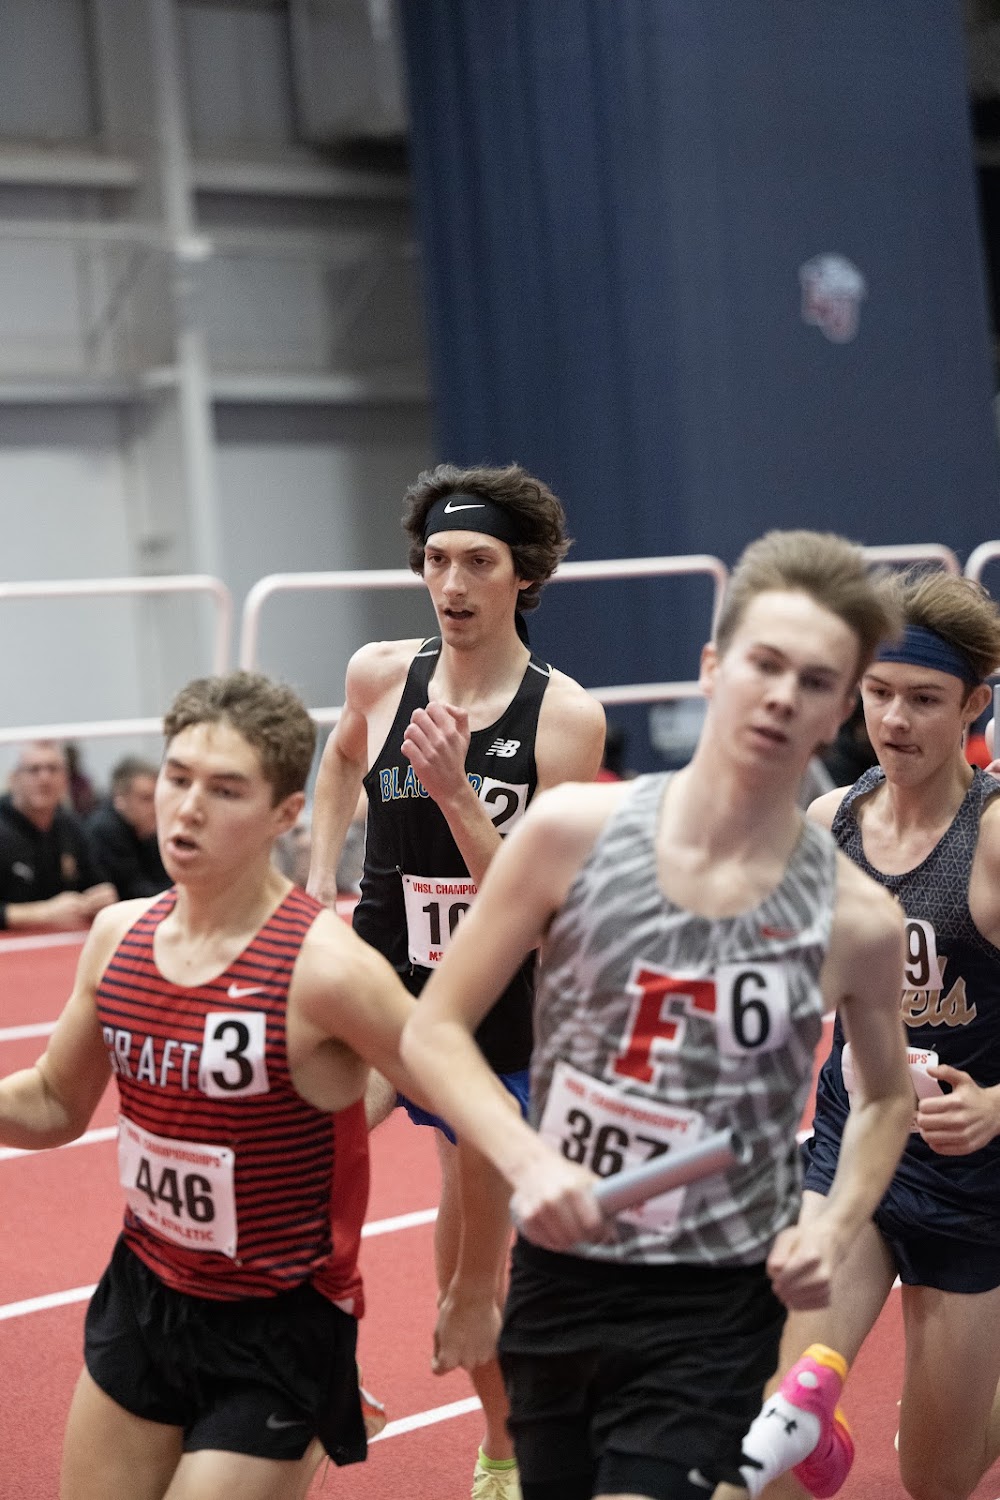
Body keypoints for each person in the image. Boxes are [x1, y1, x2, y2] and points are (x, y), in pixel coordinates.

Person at [401, 529, 914, 1500]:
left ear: (840, 708)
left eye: (815, 681)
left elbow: (886, 1097)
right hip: (564, 1275)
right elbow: (432, 1027)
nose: (782, 696)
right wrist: (529, 1163)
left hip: (716, 1295)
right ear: (713, 667)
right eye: (764, 664)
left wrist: (834, 1223)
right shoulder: (569, 835)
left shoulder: (856, 920)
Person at [0, 671, 425, 1500]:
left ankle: (319, 1401)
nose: (188, 808)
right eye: (178, 777)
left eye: (224, 790)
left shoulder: (328, 969)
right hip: (145, 1294)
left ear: (284, 814)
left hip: (281, 1318)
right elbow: (54, 1101)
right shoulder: (117, 935)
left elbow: (459, 1086)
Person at [307, 461, 607, 1500]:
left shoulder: (564, 719)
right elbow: (341, 761)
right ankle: (319, 1361)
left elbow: (543, 900)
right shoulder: (380, 675)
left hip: (500, 1005)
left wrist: (457, 797)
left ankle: (502, 1445)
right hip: (385, 983)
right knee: (291, 1142)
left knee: (471, 1280)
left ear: (524, 575)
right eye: (435, 560)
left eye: (477, 561)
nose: (451, 584)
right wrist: (316, 881)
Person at [750, 570, 1000, 1500]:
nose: (894, 721)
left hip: (976, 1184)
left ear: (973, 704)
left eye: (925, 699)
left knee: (934, 1479)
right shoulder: (833, 823)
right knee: (771, 1434)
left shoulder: (993, 839)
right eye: (879, 692)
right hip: (856, 1151)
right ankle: (810, 1437)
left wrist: (997, 1105)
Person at [0, 739, 116, 932]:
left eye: (53, 769)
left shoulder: (71, 826)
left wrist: (100, 898)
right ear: (14, 779)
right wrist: (40, 913)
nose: (45, 778)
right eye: (34, 770)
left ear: (65, 779)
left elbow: (96, 882)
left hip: (63, 941)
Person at [86, 755, 171, 899]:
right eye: (146, 798)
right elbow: (135, 891)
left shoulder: (145, 828)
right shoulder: (105, 830)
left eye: (157, 797)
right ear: (120, 799)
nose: (155, 806)